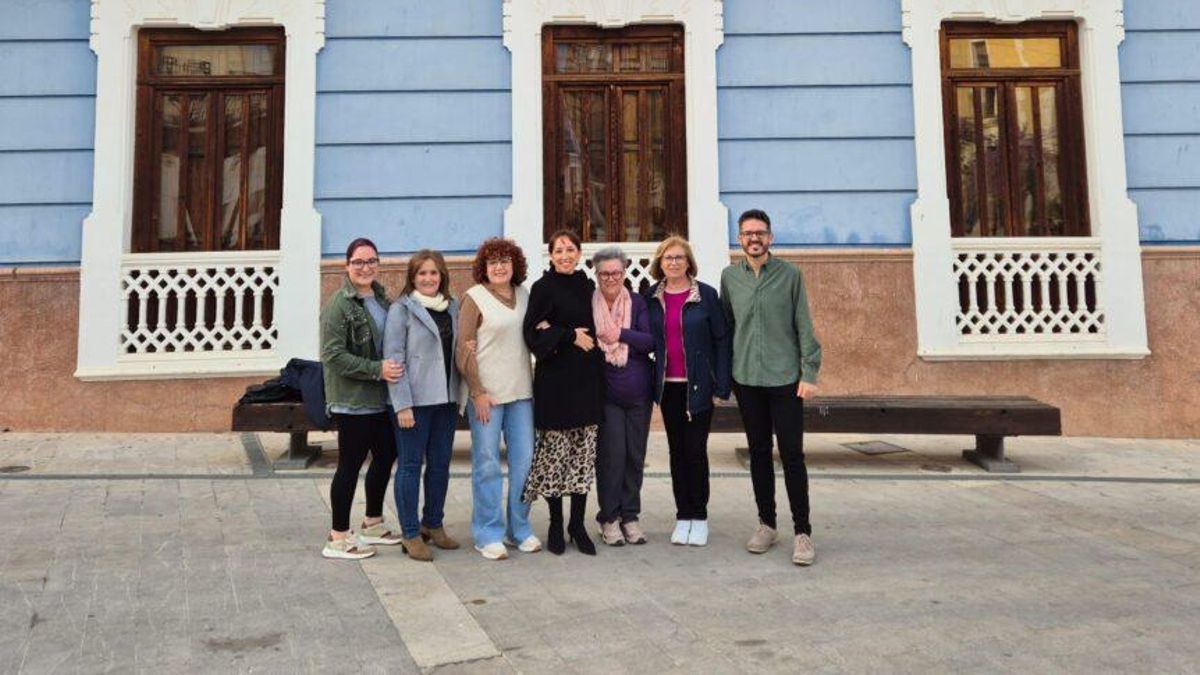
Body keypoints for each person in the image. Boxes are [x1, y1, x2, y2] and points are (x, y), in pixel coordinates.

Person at [720, 209, 822, 566]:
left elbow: (804, 325)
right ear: (739, 238)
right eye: (747, 233)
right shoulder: (730, 277)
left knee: (792, 455)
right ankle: (766, 524)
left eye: (760, 232)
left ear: (771, 237)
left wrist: (810, 372)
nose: (754, 238)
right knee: (759, 453)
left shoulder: (791, 275)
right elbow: (727, 327)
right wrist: (726, 375)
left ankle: (803, 532)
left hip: (785, 380)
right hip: (747, 379)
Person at [456, 238, 542, 560]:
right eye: (493, 262)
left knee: (524, 463)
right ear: (484, 268)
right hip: (487, 397)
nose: (499, 266)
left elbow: (533, 333)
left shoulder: (524, 295)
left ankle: (518, 528)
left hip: (521, 393)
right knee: (488, 464)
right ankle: (487, 532)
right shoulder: (473, 298)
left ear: (514, 264)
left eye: (505, 260)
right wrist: (477, 392)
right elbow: (464, 351)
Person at [319, 237, 404, 560]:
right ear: (347, 266)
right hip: (352, 400)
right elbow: (333, 355)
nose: (365, 267)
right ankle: (338, 536)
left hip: (381, 398)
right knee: (350, 465)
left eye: (371, 261)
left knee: (385, 456)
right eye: (359, 262)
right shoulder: (339, 305)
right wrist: (376, 369)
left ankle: (372, 523)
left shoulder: (382, 299)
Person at [522, 229, 605, 555]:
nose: (565, 255)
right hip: (555, 386)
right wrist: (568, 335)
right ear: (551, 255)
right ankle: (556, 524)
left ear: (579, 252)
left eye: (571, 249)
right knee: (555, 462)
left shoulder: (588, 286)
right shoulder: (542, 289)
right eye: (559, 250)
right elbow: (531, 333)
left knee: (582, 461)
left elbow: (598, 328)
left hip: (586, 383)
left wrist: (554, 330)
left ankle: (577, 524)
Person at [645, 236, 731, 547]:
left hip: (699, 388)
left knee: (695, 452)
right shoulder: (651, 296)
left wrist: (721, 384)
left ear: (689, 261)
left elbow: (722, 340)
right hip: (669, 388)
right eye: (668, 258)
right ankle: (683, 516)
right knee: (676, 453)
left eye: (680, 257)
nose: (674, 263)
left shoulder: (705, 295)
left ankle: (700, 516)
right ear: (660, 262)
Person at [384, 249, 462, 562]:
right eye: (422, 273)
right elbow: (394, 359)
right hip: (414, 402)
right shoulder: (401, 310)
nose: (429, 278)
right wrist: (401, 405)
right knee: (411, 466)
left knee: (441, 464)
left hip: (446, 399)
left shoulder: (453, 307)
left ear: (442, 275)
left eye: (433, 273)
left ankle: (434, 523)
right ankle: (411, 532)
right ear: (412, 278)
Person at [590, 247, 655, 546]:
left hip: (639, 394)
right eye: (605, 273)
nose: (611, 278)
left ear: (625, 272)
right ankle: (609, 518)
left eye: (616, 272)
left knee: (634, 457)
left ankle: (630, 516)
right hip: (607, 396)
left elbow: (650, 341)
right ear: (596, 274)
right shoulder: (589, 305)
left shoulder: (638, 302)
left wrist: (620, 333)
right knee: (612, 458)